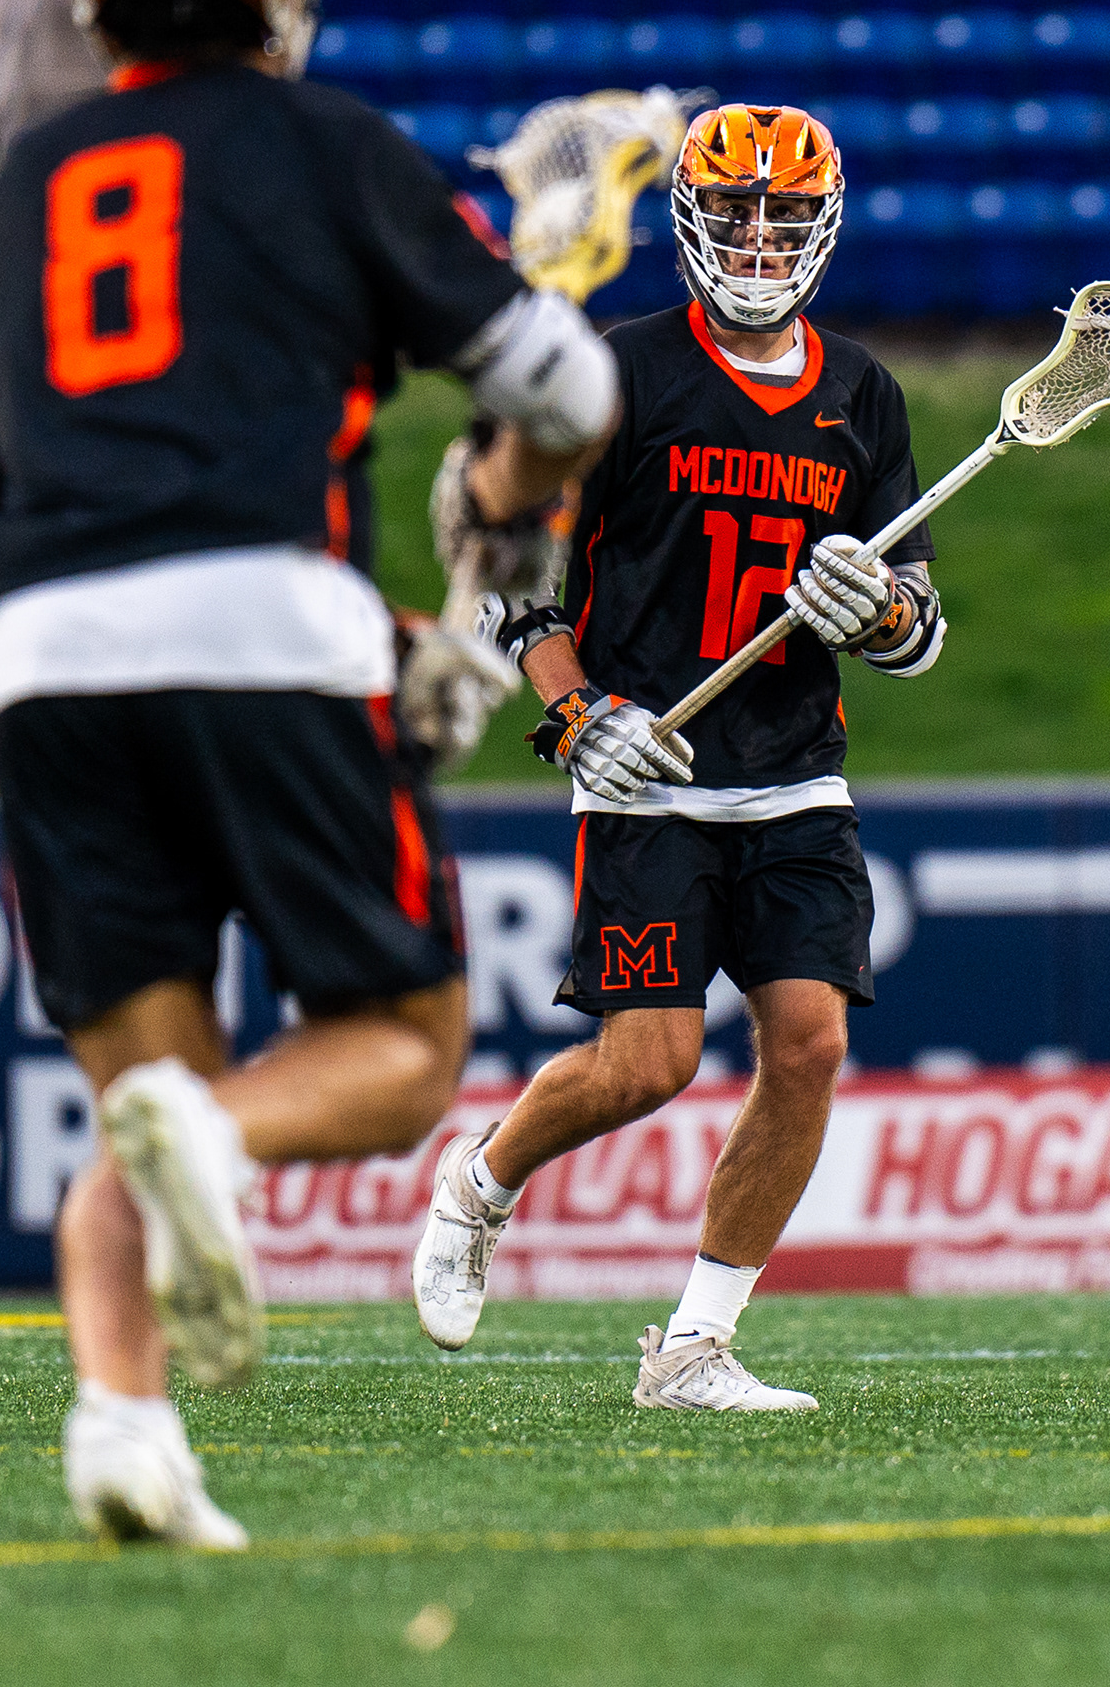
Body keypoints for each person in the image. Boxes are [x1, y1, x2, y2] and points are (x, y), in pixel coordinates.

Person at [0, 0, 616, 1543]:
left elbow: (51, 476)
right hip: (261, 621)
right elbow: (567, 395)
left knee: (146, 1087)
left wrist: (393, 642)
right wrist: (501, 533)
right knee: (395, 1044)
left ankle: (125, 1427)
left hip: (32, 651)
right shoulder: (330, 144)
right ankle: (207, 1176)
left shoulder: (22, 179)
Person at [412, 103, 944, 1410]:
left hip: (797, 771)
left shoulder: (861, 392)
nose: (758, 239)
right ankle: (478, 1186)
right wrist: (577, 715)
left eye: (783, 214)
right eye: (735, 214)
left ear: (822, 226)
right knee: (644, 1065)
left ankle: (697, 1345)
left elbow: (920, 632)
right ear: (692, 223)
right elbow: (513, 580)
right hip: (647, 767)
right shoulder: (620, 372)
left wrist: (869, 609)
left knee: (807, 1044)